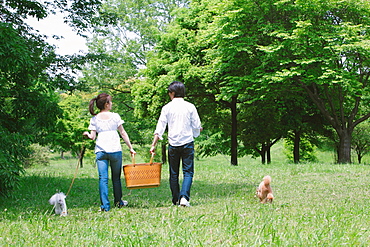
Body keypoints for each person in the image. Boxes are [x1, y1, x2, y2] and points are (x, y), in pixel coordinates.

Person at [150, 81, 202, 207]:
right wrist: (197, 132)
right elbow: (197, 126)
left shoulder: (167, 108)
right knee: (188, 172)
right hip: (187, 143)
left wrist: (153, 145)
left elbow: (160, 127)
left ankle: (176, 199)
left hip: (173, 144)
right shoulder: (190, 106)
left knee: (174, 173)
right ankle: (184, 197)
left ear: (172, 93)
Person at [83, 93, 135, 212]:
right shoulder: (115, 116)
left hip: (101, 151)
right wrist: (130, 147)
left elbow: (92, 136)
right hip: (115, 150)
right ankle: (118, 202)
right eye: (110, 102)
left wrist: (86, 134)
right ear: (106, 104)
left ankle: (105, 206)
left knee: (103, 178)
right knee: (116, 178)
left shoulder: (94, 119)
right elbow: (123, 133)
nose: (111, 104)